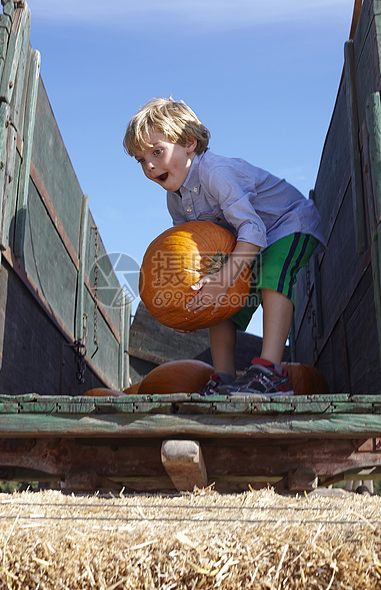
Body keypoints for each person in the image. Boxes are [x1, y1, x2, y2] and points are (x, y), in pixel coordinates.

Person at [123, 97, 325, 396]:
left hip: (286, 224)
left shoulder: (215, 173)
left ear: (190, 143)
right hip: (246, 243)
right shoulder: (175, 199)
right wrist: (187, 305)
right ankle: (224, 378)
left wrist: (225, 277)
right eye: (141, 159)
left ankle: (271, 372)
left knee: (271, 276)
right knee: (219, 302)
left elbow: (253, 229)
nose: (150, 165)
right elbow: (190, 258)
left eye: (157, 152)